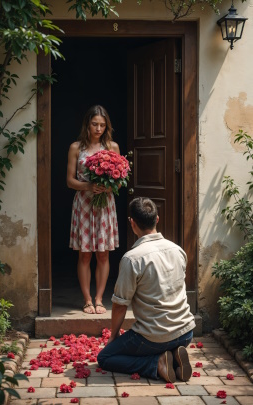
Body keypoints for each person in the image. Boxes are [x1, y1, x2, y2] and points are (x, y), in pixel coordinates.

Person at [97, 197, 196, 382]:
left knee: (105, 357)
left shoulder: (132, 259)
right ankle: (174, 356)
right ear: (157, 219)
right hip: (185, 333)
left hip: (153, 339)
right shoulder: (178, 250)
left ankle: (156, 363)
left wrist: (114, 336)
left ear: (131, 223)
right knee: (165, 341)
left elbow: (120, 305)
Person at [67, 105, 120, 314]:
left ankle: (99, 299)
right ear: (87, 124)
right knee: (85, 255)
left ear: (106, 126)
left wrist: (109, 186)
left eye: (102, 125)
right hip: (84, 205)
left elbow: (119, 179)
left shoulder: (112, 147)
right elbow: (70, 181)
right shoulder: (76, 148)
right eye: (94, 124)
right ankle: (87, 299)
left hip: (104, 204)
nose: (98, 128)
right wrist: (89, 186)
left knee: (103, 255)